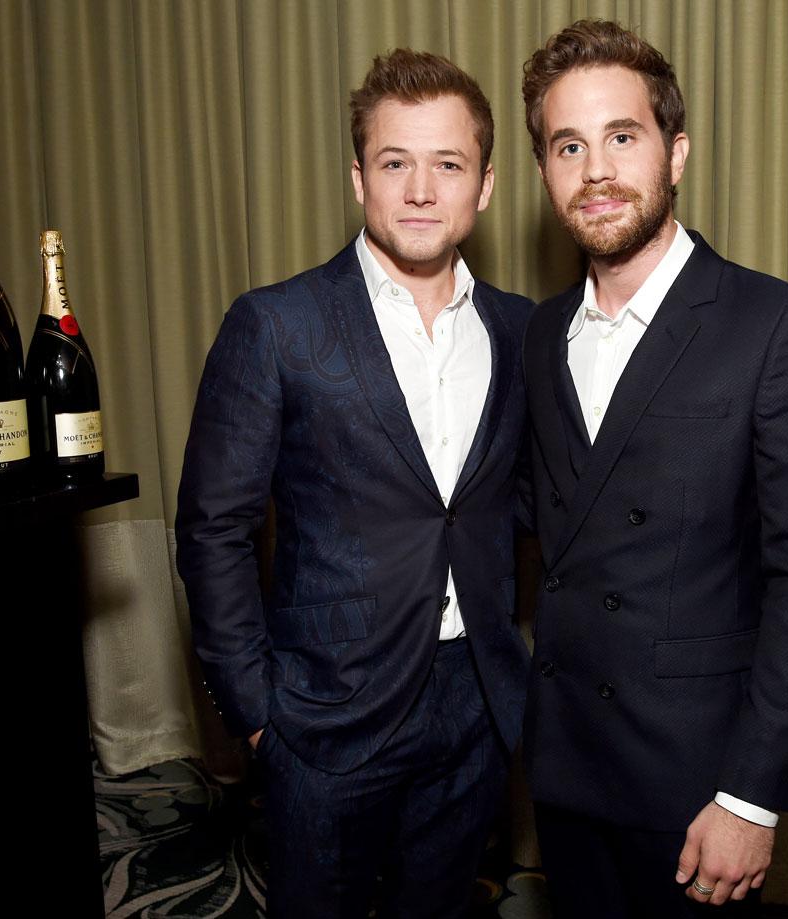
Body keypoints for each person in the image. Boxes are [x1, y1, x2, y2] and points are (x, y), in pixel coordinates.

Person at [175, 48, 533, 919]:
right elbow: (211, 526)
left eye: (447, 164)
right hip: (323, 710)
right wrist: (258, 709)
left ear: (484, 186)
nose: (420, 188)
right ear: (358, 178)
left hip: (474, 703)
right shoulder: (276, 325)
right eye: (394, 162)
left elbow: (521, 504)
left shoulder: (522, 331)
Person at [518, 19, 788, 916]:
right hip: (566, 760)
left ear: (676, 152)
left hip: (698, 779)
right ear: (544, 171)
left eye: (622, 138)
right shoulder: (542, 335)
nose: (596, 170)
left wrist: (752, 794)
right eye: (568, 145)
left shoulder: (776, 325)